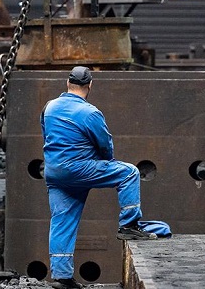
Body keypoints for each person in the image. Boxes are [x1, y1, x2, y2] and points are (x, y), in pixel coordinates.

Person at [40, 66, 156, 289]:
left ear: (68, 83)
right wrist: (102, 163)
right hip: (79, 168)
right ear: (90, 85)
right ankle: (129, 224)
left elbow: (48, 136)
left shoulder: (49, 107)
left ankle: (62, 277)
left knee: (62, 219)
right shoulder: (90, 113)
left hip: (54, 172)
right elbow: (105, 145)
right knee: (129, 172)